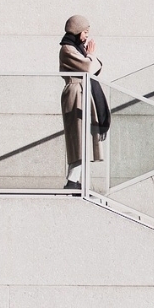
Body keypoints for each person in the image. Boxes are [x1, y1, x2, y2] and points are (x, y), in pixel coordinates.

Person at [59, 15, 110, 190]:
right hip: (75, 93)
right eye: (85, 32)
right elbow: (89, 67)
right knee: (78, 138)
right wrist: (91, 55)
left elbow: (96, 68)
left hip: (83, 92)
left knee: (84, 138)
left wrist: (89, 56)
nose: (86, 36)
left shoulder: (76, 48)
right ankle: (72, 182)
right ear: (76, 31)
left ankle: (76, 181)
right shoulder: (67, 49)